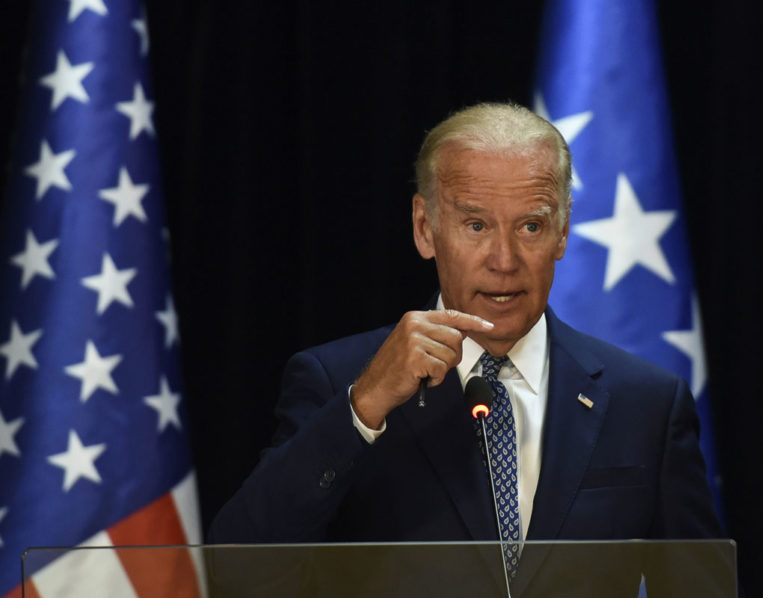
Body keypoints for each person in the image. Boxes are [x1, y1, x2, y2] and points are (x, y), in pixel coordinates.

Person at [207, 103, 722, 593]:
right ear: (424, 228)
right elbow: (237, 571)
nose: (504, 259)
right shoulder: (337, 380)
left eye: (531, 226)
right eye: (476, 225)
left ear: (563, 233)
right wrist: (361, 410)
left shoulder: (646, 403)